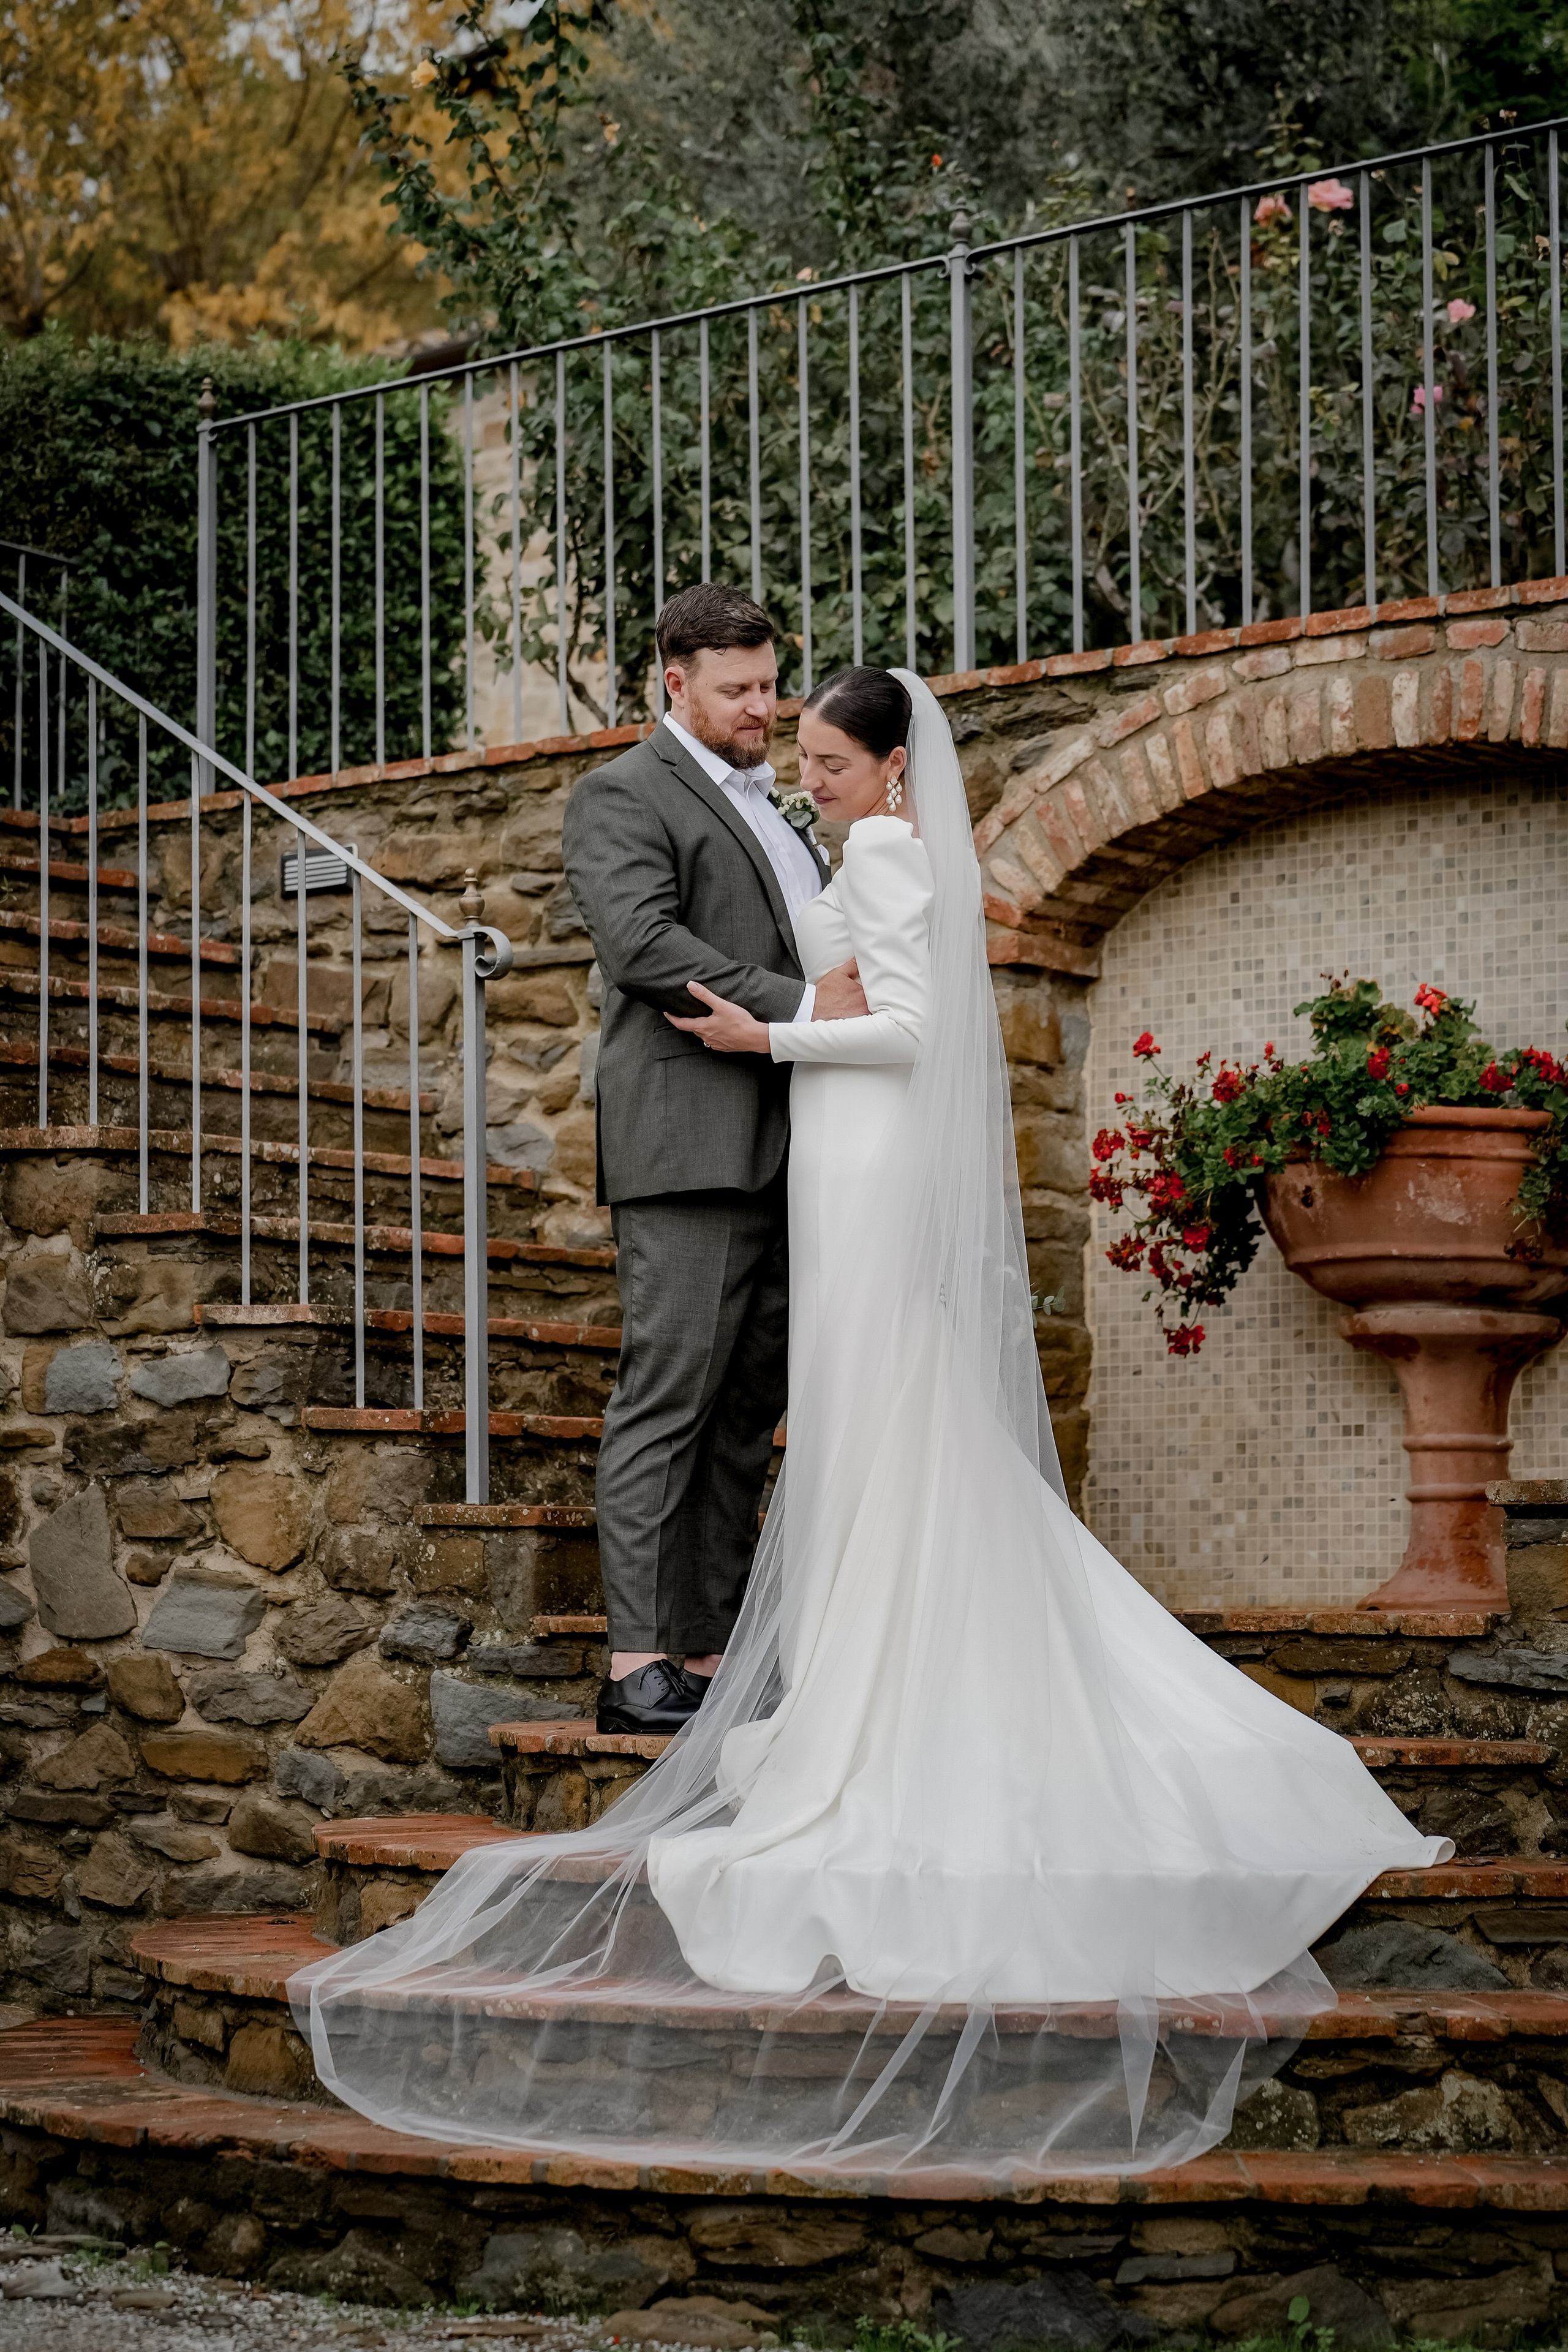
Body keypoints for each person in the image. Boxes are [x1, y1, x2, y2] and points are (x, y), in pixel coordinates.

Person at [293, 665, 1452, 2181]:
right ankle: (769, 1659)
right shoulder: (771, 824)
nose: (799, 758)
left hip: (837, 1132)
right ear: (673, 683)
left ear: (891, 770)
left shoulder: (884, 850)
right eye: (770, 714)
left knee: (864, 1421)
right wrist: (785, 1018)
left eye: (821, 744)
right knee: (803, 1415)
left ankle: (847, 1673)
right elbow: (684, 948)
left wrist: (770, 1039)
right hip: (810, 1154)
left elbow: (900, 1025)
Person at [560, 585, 865, 1735]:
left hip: (793, 1149)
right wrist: (802, 1003)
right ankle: (635, 1661)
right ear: (674, 681)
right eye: (737, 688)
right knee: (668, 1401)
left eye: (769, 682)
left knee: (747, 1417)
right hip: (687, 1148)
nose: (763, 706)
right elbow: (641, 942)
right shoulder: (622, 792)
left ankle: (707, 1654)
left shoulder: (780, 811)